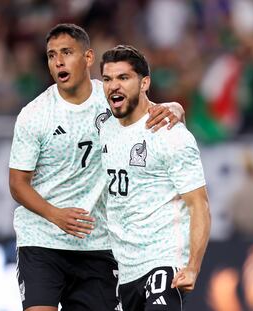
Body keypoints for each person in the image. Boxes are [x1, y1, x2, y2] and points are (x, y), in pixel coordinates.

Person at [8, 24, 184, 311]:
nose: (58, 62)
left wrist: (176, 108)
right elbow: (17, 183)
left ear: (88, 58)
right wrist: (55, 215)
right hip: (42, 239)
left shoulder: (113, 98)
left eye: (67, 52)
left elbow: (158, 109)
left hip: (98, 242)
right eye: (52, 55)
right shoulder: (35, 115)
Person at [99, 45, 211, 311]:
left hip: (164, 261)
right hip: (123, 268)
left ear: (144, 82)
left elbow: (199, 205)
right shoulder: (102, 126)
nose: (114, 86)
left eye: (124, 78)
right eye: (107, 79)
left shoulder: (170, 134)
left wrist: (193, 267)